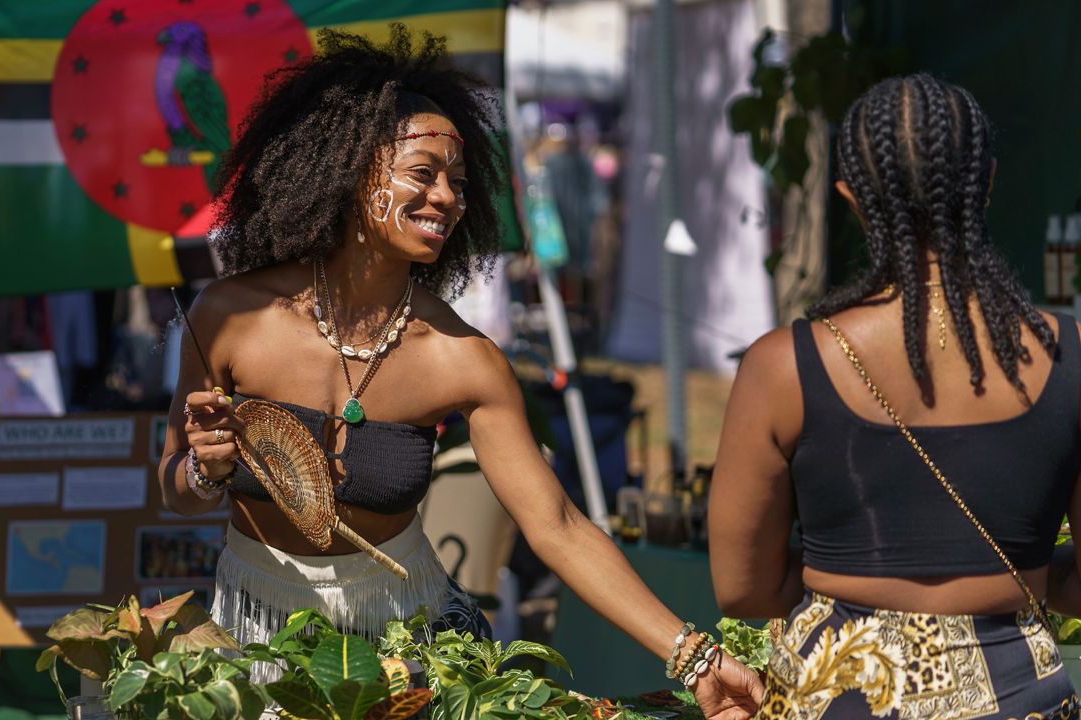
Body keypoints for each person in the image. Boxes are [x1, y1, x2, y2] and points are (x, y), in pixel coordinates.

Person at [157, 26, 762, 716]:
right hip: (254, 634)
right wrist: (202, 468)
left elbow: (558, 525)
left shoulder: (461, 358)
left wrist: (697, 655)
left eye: (458, 182)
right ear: (350, 171)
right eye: (422, 173)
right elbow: (176, 485)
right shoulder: (233, 317)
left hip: (406, 650)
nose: (446, 197)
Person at [708, 73, 1081, 718]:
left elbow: (743, 587)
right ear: (986, 182)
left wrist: (855, 578)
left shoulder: (784, 367)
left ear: (851, 197)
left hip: (842, 691)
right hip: (1014, 690)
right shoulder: (1069, 355)